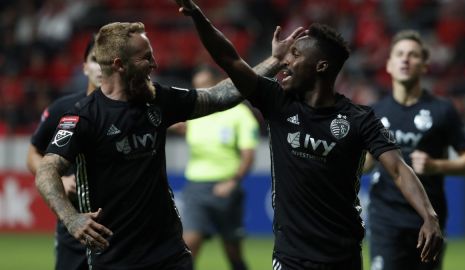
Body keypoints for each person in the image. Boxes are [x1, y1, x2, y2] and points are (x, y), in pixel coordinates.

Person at [174, 1, 444, 269]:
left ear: (321, 66)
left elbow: (397, 168)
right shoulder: (277, 101)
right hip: (290, 257)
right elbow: (230, 60)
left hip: (342, 257)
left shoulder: (360, 119)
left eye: (295, 55)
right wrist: (199, 18)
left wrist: (429, 215)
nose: (285, 62)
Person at [34, 21, 303, 270]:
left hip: (169, 252)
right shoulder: (83, 117)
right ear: (119, 64)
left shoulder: (158, 100)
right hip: (114, 257)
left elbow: (223, 95)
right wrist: (71, 218)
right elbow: (46, 170)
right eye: (145, 57)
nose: (154, 63)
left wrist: (275, 61)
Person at [363, 30, 465, 270]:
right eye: (400, 54)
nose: (405, 59)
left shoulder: (443, 110)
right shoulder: (373, 112)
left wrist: (437, 165)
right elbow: (362, 164)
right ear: (389, 65)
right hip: (385, 219)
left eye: (413, 55)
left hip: (429, 221)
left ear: (425, 65)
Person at [26, 34, 101, 270]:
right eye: (95, 59)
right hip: (74, 223)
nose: (101, 67)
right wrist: (59, 177)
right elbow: (32, 154)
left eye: (107, 60)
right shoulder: (63, 109)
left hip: (118, 225)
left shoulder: (132, 110)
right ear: (85, 67)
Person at [177, 65, 259, 270]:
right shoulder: (194, 113)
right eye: (197, 88)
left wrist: (232, 182)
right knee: (188, 248)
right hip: (196, 188)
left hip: (226, 188)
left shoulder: (239, 114)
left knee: (233, 254)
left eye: (205, 87)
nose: (201, 92)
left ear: (218, 84)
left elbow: (248, 155)